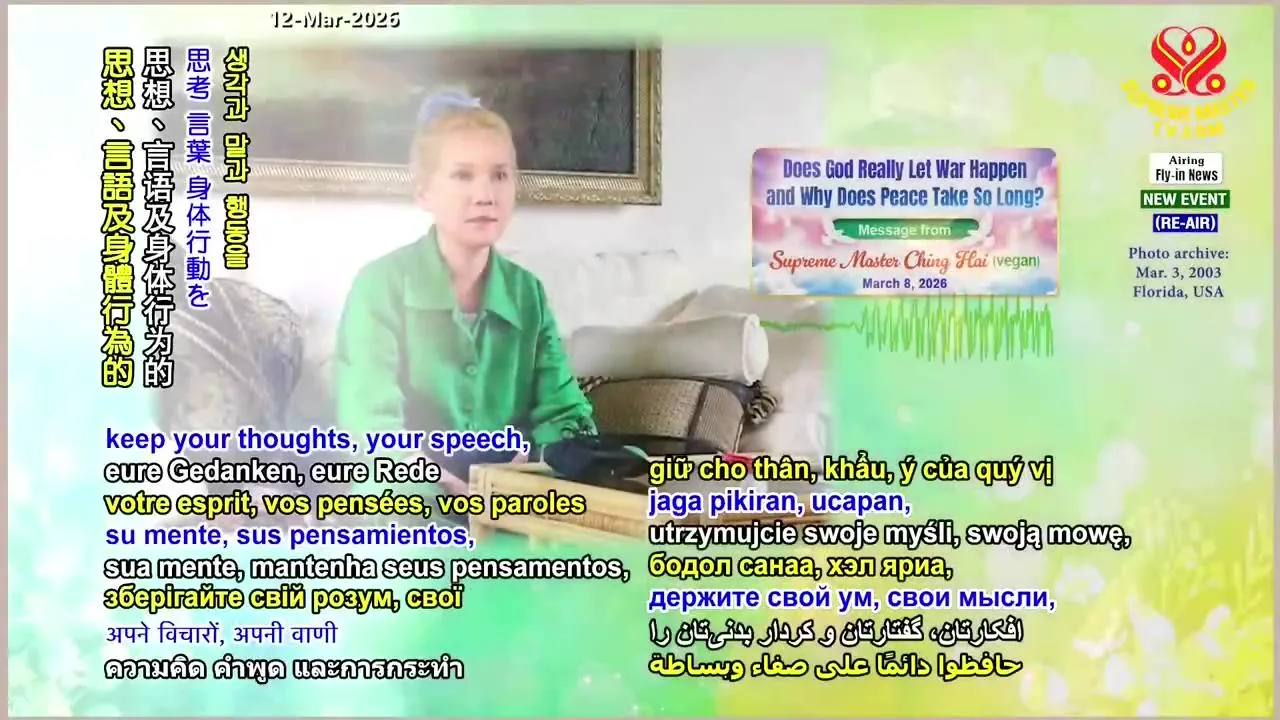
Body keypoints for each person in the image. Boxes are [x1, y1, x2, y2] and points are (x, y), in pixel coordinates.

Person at [333, 89, 597, 499]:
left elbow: (563, 413)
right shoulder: (378, 286)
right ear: (424, 192)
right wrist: (435, 480)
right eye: (462, 175)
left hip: (514, 498)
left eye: (500, 175)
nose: (485, 195)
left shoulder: (528, 293)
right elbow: (369, 426)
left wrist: (537, 467)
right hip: (405, 499)